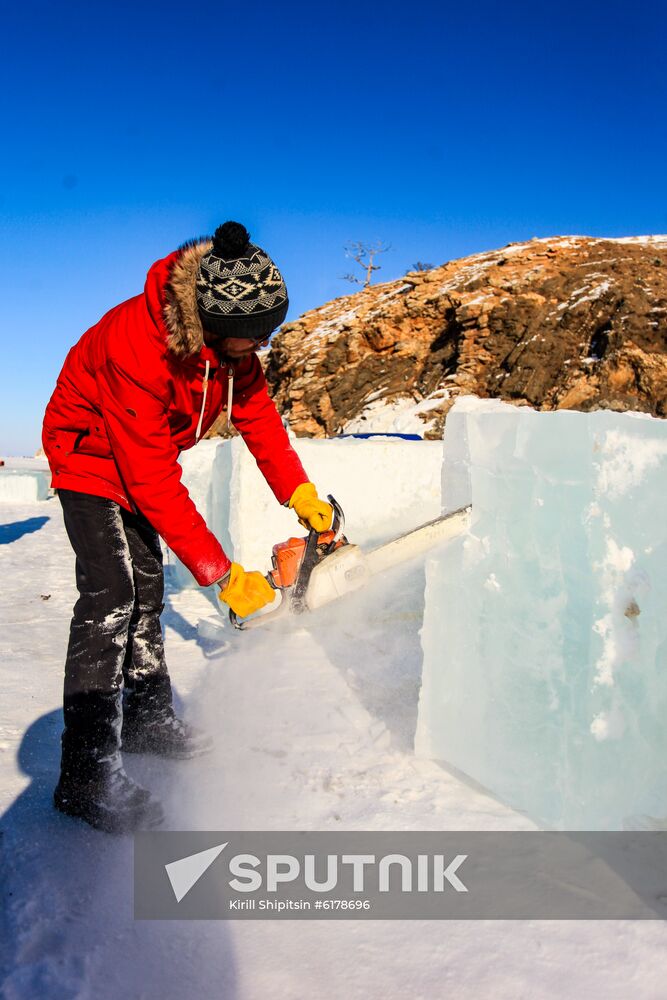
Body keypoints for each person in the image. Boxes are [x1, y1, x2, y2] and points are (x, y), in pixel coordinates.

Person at [42, 221, 333, 834]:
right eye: (247, 340)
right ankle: (85, 776)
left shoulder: (232, 353)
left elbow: (260, 421)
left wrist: (299, 492)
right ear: (210, 325)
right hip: (89, 457)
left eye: (265, 336)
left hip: (139, 460)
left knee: (149, 592)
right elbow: (148, 479)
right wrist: (222, 575)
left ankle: (150, 723)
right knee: (112, 595)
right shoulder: (137, 345)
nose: (256, 350)